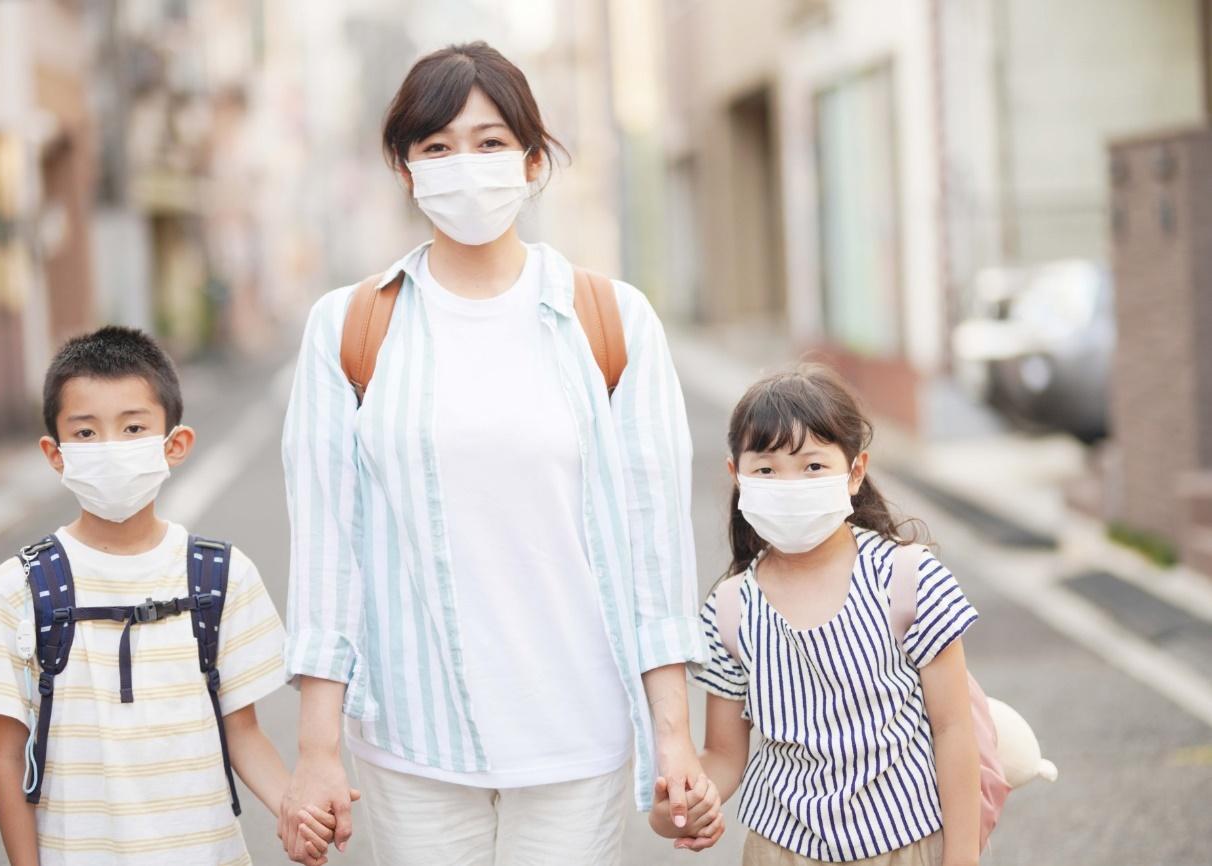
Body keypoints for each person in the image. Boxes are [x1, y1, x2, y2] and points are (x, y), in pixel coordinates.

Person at [278, 41, 716, 865]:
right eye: (436, 147)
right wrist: (316, 749)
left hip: (575, 731)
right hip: (413, 739)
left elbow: (655, 549)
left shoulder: (612, 321)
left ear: (533, 159)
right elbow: (327, 552)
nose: (464, 166)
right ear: (406, 171)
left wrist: (674, 739)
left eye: (488, 142)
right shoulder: (349, 329)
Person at [0, 326, 340, 866]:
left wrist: (292, 808)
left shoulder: (220, 576)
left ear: (173, 444)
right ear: (55, 453)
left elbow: (242, 733)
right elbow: (8, 756)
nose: (110, 449)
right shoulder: (19, 588)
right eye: (86, 434)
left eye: (133, 428)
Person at [652, 364, 982, 866]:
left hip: (906, 844)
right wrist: (684, 805)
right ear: (737, 477)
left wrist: (962, 858)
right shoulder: (730, 609)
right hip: (781, 850)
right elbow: (723, 755)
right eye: (765, 469)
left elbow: (955, 729)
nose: (788, 484)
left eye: (811, 467)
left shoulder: (908, 578)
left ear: (855, 472)